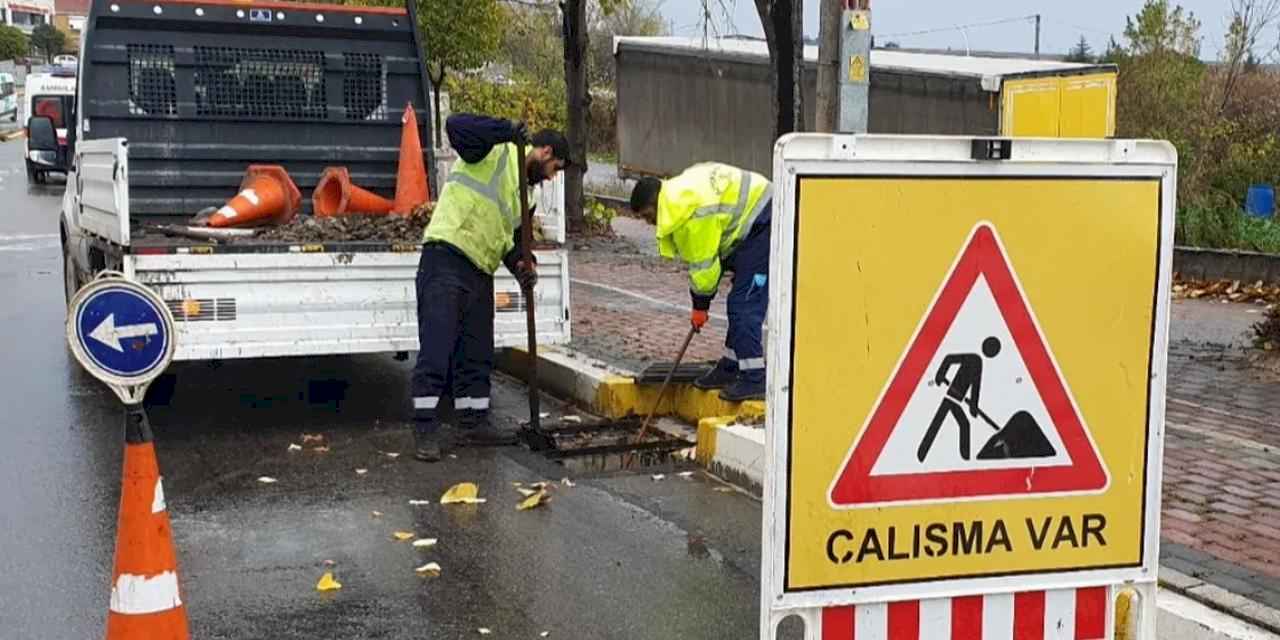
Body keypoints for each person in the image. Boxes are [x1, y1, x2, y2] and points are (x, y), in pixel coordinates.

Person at [410, 113, 569, 462]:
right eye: (555, 168)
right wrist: (506, 130)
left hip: (480, 270)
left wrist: (522, 266)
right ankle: (424, 428)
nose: (552, 176)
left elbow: (512, 241)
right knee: (437, 349)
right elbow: (456, 126)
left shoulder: (527, 197)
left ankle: (473, 421)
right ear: (544, 151)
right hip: (447, 256)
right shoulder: (494, 151)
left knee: (476, 353)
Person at [629, 163, 772, 402]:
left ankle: (755, 378)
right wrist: (701, 304)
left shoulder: (689, 215)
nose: (649, 223)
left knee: (743, 305)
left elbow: (705, 269)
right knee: (738, 302)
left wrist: (700, 307)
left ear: (655, 203)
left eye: (647, 216)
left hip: (763, 223)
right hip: (750, 224)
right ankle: (730, 366)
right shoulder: (678, 197)